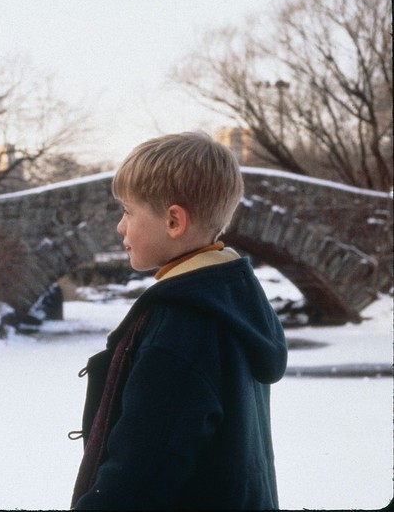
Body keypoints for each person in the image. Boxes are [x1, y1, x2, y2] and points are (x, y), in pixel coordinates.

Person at [71, 131, 288, 510]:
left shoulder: (179, 327)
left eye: (127, 211)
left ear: (174, 220)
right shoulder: (233, 301)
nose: (120, 227)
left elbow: (137, 482)